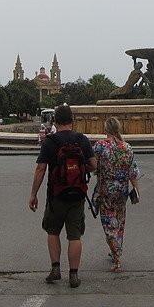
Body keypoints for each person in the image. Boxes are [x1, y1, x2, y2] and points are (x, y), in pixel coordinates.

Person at [29, 104, 97, 288]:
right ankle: (74, 275)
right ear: (72, 120)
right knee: (74, 235)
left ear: (54, 120)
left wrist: (33, 194)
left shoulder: (50, 142)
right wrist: (82, 172)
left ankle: (56, 269)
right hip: (78, 194)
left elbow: (41, 168)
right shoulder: (82, 140)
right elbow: (93, 164)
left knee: (53, 231)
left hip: (56, 194)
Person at [92, 117, 141, 273]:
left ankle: (116, 258)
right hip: (122, 190)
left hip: (106, 189)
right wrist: (137, 192)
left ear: (106, 129)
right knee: (119, 222)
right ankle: (116, 250)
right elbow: (132, 173)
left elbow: (93, 167)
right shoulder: (126, 147)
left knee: (108, 224)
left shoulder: (100, 146)